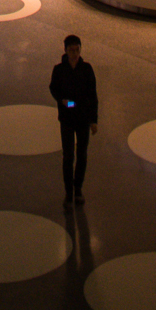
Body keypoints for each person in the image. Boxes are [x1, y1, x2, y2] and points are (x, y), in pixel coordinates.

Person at [50, 33, 98, 206]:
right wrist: (64, 101)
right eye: (72, 50)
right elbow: (53, 88)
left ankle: (78, 189)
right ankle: (69, 191)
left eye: (77, 49)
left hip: (83, 118)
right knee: (68, 156)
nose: (75, 53)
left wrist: (93, 120)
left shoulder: (87, 69)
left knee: (82, 155)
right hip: (68, 119)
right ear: (65, 51)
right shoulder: (59, 70)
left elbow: (93, 96)